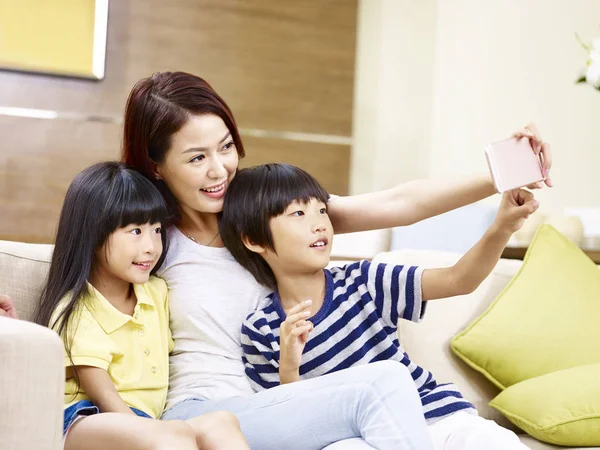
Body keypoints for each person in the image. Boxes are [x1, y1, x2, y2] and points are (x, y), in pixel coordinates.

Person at [1, 70, 552, 449]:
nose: (220, 169)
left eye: (226, 146)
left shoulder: (264, 214)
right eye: (197, 157)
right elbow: (68, 262)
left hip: (280, 406)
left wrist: (506, 169)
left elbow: (396, 204)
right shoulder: (150, 237)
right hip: (203, 412)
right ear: (157, 166)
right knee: (382, 383)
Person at [221, 163, 538, 450]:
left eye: (321, 211)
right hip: (353, 438)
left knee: (488, 439)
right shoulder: (261, 329)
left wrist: (503, 227)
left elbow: (459, 280)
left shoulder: (363, 280)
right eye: (298, 215)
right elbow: (293, 425)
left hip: (430, 416)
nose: (320, 225)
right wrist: (289, 365)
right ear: (252, 239)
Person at [34, 161, 250, 450]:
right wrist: (155, 431)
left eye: (157, 230)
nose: (151, 246)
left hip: (145, 422)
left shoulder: (155, 292)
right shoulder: (77, 308)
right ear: (94, 233)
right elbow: (105, 396)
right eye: (135, 231)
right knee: (170, 435)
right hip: (83, 419)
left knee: (220, 422)